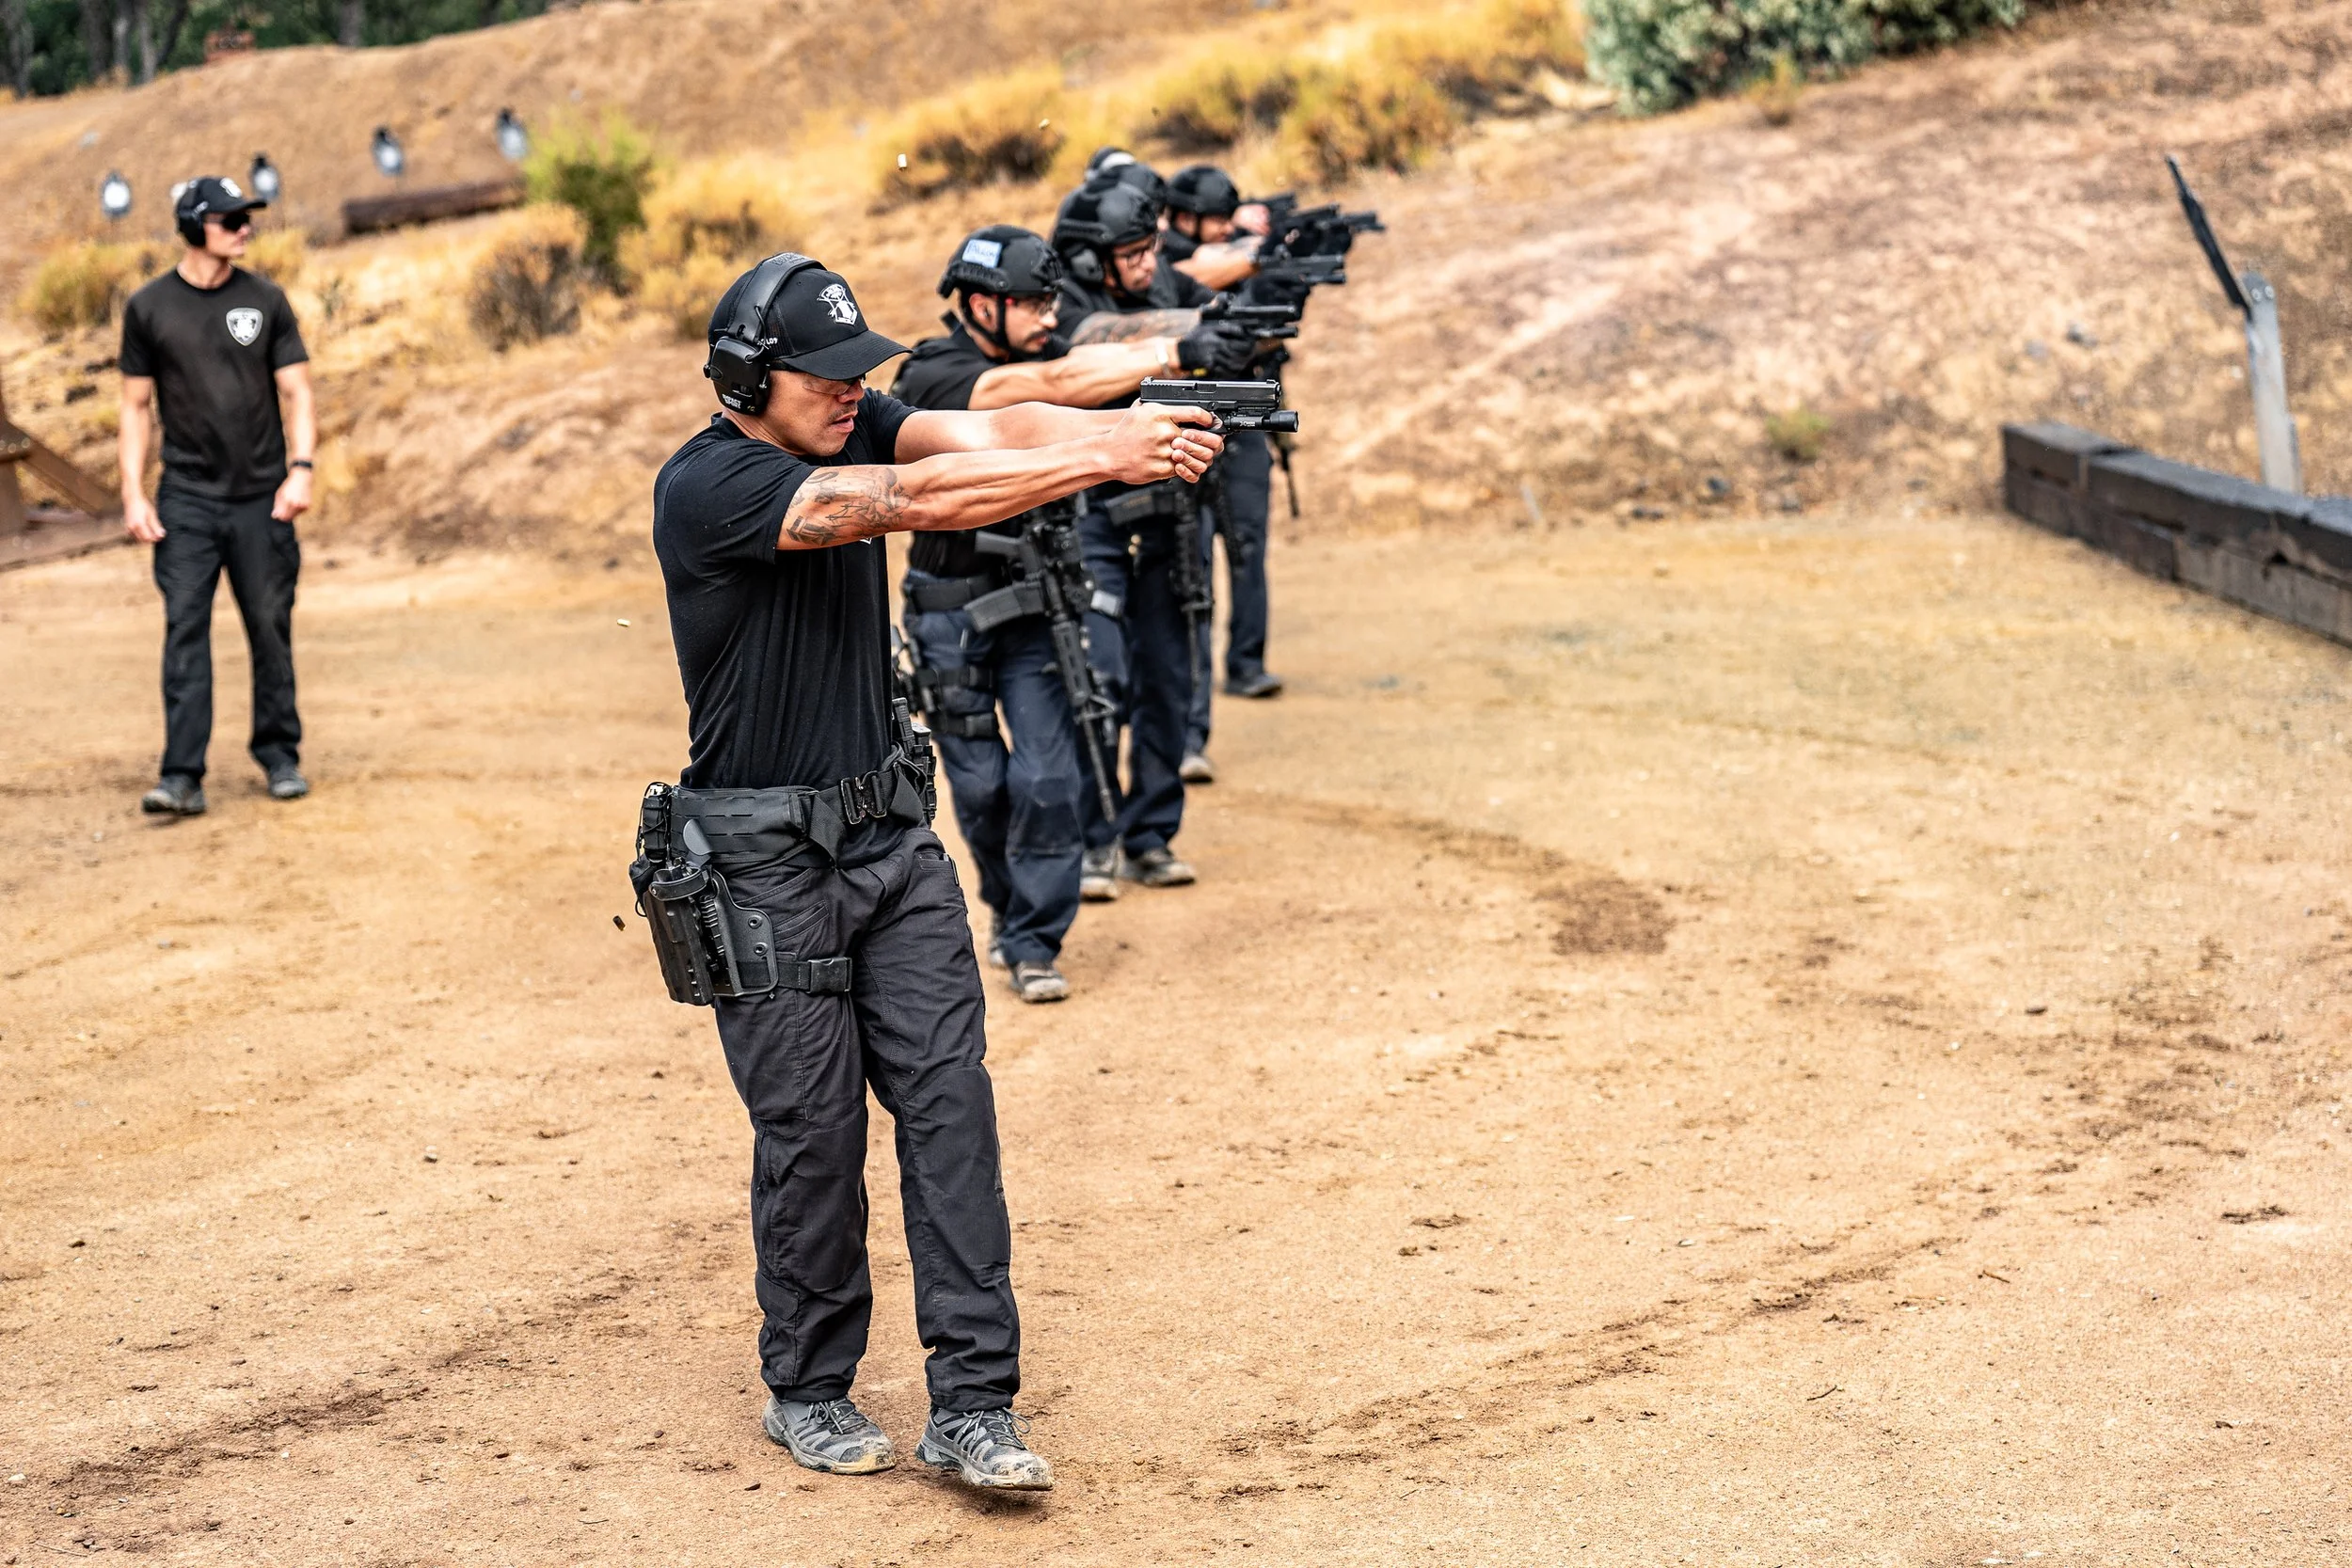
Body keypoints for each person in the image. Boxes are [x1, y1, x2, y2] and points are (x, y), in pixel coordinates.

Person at [647, 252, 1221, 1491]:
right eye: (824, 376)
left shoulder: (851, 418)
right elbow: (914, 500)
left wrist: (1132, 420)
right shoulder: (710, 485)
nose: (852, 391)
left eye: (858, 373)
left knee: (952, 1109)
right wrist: (1108, 457)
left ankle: (974, 1402)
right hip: (762, 861)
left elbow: (994, 428)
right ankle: (808, 1383)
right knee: (812, 1133)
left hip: (892, 842)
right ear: (746, 379)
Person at [891, 225, 1247, 1001]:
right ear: (980, 304)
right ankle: (1006, 906)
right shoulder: (934, 370)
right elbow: (1046, 386)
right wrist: (1173, 352)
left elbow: (1092, 353)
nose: (1050, 315)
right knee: (981, 786)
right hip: (949, 609)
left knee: (1049, 776)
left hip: (1038, 603)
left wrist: (1196, 337)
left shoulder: (1050, 352)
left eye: (1053, 300)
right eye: (1032, 302)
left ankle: (1034, 940)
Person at [1051, 175, 1247, 899]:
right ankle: (1096, 837)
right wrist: (1181, 340)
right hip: (1095, 515)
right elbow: (1073, 353)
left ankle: (1150, 834)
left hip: (1170, 511)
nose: (1146, 264)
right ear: (1092, 257)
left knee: (1168, 677)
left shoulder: (1166, 281)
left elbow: (1216, 318)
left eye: (1150, 249)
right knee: (1101, 678)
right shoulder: (1065, 301)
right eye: (1130, 253)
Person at [119, 174, 317, 816]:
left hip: (263, 497)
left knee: (269, 626)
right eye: (230, 219)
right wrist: (133, 493)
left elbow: (298, 392)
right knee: (185, 629)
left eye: (246, 217)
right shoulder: (149, 308)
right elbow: (135, 406)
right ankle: (181, 775)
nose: (244, 228)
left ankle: (280, 755)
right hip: (187, 499)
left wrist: (301, 469)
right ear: (192, 227)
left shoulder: (266, 299)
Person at [1162, 165, 1287, 788]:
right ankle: (1189, 733)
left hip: (1242, 423)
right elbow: (1186, 283)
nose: (1222, 229)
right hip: (1184, 429)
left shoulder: (1228, 259)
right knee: (1193, 578)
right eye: (1213, 220)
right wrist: (1254, 254)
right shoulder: (1164, 263)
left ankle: (1246, 663)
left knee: (1248, 548)